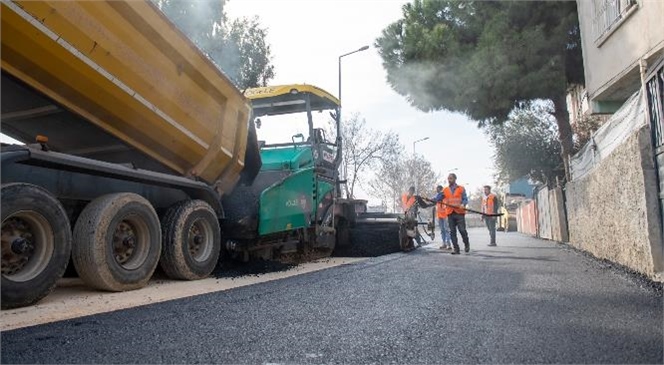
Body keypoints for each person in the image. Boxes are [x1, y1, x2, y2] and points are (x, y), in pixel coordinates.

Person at [442, 173, 469, 254]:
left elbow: (465, 199)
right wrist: (429, 199)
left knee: (462, 230)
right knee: (452, 232)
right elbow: (438, 197)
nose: (449, 180)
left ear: (455, 179)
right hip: (450, 213)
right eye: (448, 178)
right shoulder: (445, 190)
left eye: (450, 178)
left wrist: (463, 204)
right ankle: (456, 249)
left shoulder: (461, 188)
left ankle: (466, 244)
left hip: (459, 213)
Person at [428, 185, 452, 249]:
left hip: (445, 214)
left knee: (446, 230)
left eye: (438, 189)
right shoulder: (437, 195)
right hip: (439, 215)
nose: (437, 190)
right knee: (442, 230)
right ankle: (444, 243)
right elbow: (434, 199)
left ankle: (448, 244)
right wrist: (428, 199)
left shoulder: (443, 195)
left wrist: (432, 199)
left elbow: (437, 198)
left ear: (441, 189)